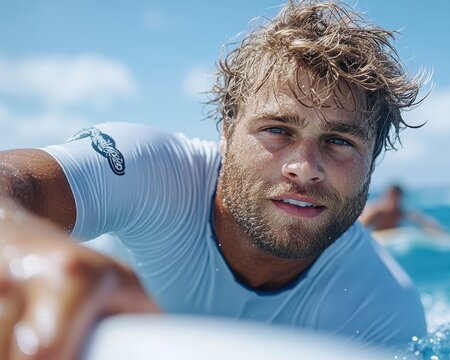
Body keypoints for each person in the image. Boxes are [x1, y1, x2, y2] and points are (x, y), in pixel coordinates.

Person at [0, 1, 428, 358]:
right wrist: (27, 255)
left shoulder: (384, 310)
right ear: (226, 133)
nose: (306, 166)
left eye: (339, 140)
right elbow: (13, 181)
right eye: (278, 130)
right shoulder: (153, 172)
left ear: (373, 160)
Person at [360, 184, 444, 234]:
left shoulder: (400, 211)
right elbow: (360, 227)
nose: (394, 202)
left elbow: (423, 221)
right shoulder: (377, 211)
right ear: (387, 197)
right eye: (392, 198)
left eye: (397, 198)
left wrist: (440, 232)